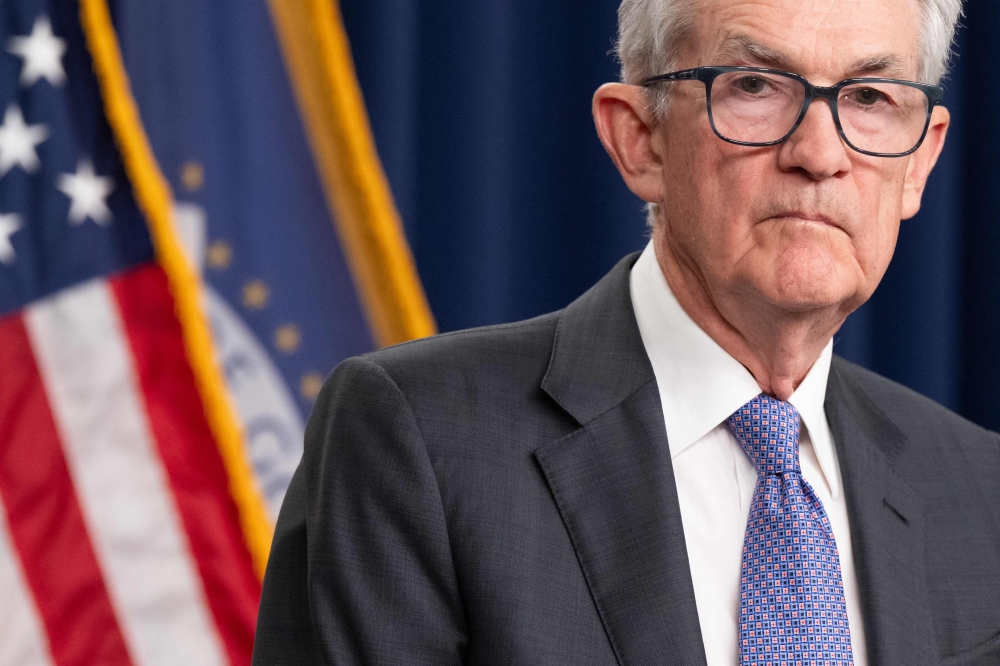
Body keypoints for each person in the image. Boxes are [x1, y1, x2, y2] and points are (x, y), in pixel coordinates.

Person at [253, 0, 1000, 663]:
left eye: (869, 97)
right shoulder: (418, 442)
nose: (819, 154)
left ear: (920, 162)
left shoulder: (982, 492)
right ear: (639, 137)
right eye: (754, 87)